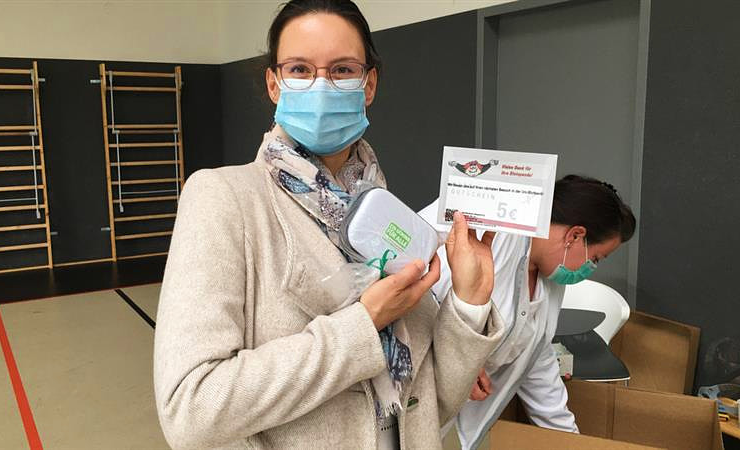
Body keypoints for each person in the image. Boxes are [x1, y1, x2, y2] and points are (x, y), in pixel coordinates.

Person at [153, 1, 506, 449]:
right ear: (275, 84)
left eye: (342, 70)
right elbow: (190, 409)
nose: (321, 85)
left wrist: (470, 301)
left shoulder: (380, 209)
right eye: (300, 69)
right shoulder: (224, 198)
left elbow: (430, 404)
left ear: (369, 84)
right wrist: (363, 325)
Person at [420, 174, 637, 449]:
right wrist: (455, 360)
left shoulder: (551, 283)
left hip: (454, 429)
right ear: (575, 235)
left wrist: (570, 440)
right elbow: (418, 295)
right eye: (595, 258)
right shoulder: (493, 238)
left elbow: (537, 358)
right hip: (414, 408)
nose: (590, 268)